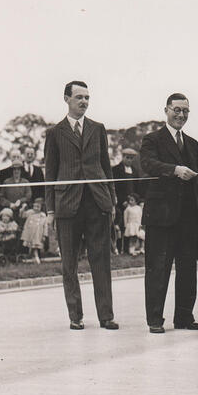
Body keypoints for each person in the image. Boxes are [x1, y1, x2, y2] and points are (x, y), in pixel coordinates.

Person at [44, 80, 118, 331]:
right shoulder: (55, 133)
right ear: (67, 99)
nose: (84, 102)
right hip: (67, 205)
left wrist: (112, 200)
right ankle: (75, 316)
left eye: (87, 97)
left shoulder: (98, 129)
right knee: (69, 265)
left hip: (97, 203)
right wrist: (50, 210)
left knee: (102, 262)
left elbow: (106, 166)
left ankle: (106, 316)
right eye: (79, 97)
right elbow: (50, 173)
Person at [140, 92, 198, 334]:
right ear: (166, 110)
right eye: (176, 110)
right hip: (161, 217)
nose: (181, 115)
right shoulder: (152, 139)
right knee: (158, 268)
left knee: (188, 269)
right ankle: (155, 319)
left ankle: (184, 318)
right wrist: (175, 169)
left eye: (185, 111)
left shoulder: (193, 143)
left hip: (189, 218)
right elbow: (147, 164)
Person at [112, 147, 142, 253]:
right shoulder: (116, 170)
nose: (129, 160)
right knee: (121, 226)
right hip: (121, 203)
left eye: (131, 158)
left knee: (131, 226)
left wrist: (136, 201)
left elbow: (138, 187)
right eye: (127, 158)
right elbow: (115, 187)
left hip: (133, 204)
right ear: (123, 157)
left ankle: (129, 248)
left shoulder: (135, 170)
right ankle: (119, 248)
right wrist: (122, 201)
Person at [20, 198, 49, 263]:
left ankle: (36, 257)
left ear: (41, 207)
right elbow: (22, 215)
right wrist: (23, 208)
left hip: (38, 234)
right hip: (30, 233)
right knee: (31, 245)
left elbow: (45, 226)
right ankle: (33, 257)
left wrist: (45, 235)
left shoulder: (43, 215)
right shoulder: (30, 213)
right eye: (34, 206)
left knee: (35, 246)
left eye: (38, 207)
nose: (35, 208)